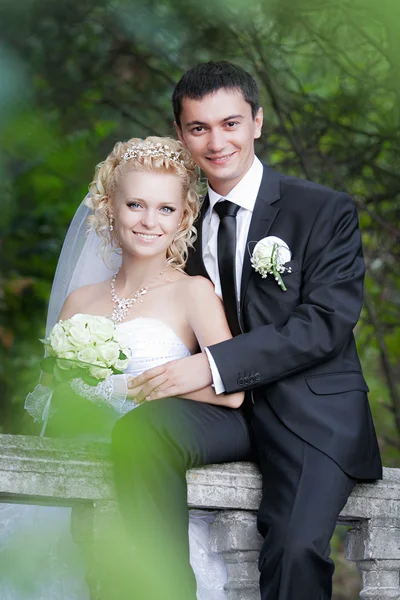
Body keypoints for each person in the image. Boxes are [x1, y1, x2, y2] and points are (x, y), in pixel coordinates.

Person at [113, 62, 383, 599]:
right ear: (181, 135)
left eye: (230, 123)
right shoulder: (177, 221)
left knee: (294, 544)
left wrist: (213, 365)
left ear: (257, 122)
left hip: (311, 414)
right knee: (140, 436)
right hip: (225, 411)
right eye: (198, 128)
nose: (217, 142)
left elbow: (325, 322)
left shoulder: (322, 210)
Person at [1, 136, 248, 600]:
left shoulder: (193, 292)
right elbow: (46, 398)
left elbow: (231, 393)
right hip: (78, 470)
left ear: (184, 217)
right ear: (110, 207)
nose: (149, 221)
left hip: (146, 474)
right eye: (135, 204)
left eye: (165, 209)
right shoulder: (79, 301)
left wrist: (139, 387)